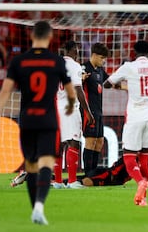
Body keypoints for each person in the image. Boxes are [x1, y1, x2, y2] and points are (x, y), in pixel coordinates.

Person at [0, 21, 76, 225]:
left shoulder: (19, 61)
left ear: (31, 36)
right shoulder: (56, 61)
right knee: (46, 163)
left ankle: (34, 208)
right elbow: (70, 91)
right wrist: (71, 105)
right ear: (50, 37)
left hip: (27, 119)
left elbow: (5, 91)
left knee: (30, 165)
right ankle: (39, 206)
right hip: (47, 119)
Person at [104, 28, 148, 206]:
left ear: (134, 53)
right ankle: (144, 198)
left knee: (129, 157)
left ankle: (140, 182)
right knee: (144, 157)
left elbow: (107, 83)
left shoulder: (128, 67)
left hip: (134, 117)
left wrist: (121, 84)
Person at [52, 40, 94, 189]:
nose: (78, 52)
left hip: (57, 107)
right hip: (70, 108)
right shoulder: (75, 66)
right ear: (73, 50)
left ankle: (57, 181)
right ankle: (71, 181)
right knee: (74, 142)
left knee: (60, 144)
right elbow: (78, 90)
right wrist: (88, 112)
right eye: (77, 49)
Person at [81, 43, 109, 175]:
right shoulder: (84, 68)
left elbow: (111, 82)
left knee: (100, 141)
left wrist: (128, 87)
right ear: (95, 55)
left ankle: (93, 173)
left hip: (99, 111)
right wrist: (81, 80)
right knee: (90, 141)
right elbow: (75, 86)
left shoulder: (100, 71)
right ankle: (88, 173)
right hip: (88, 112)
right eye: (102, 58)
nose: (104, 61)